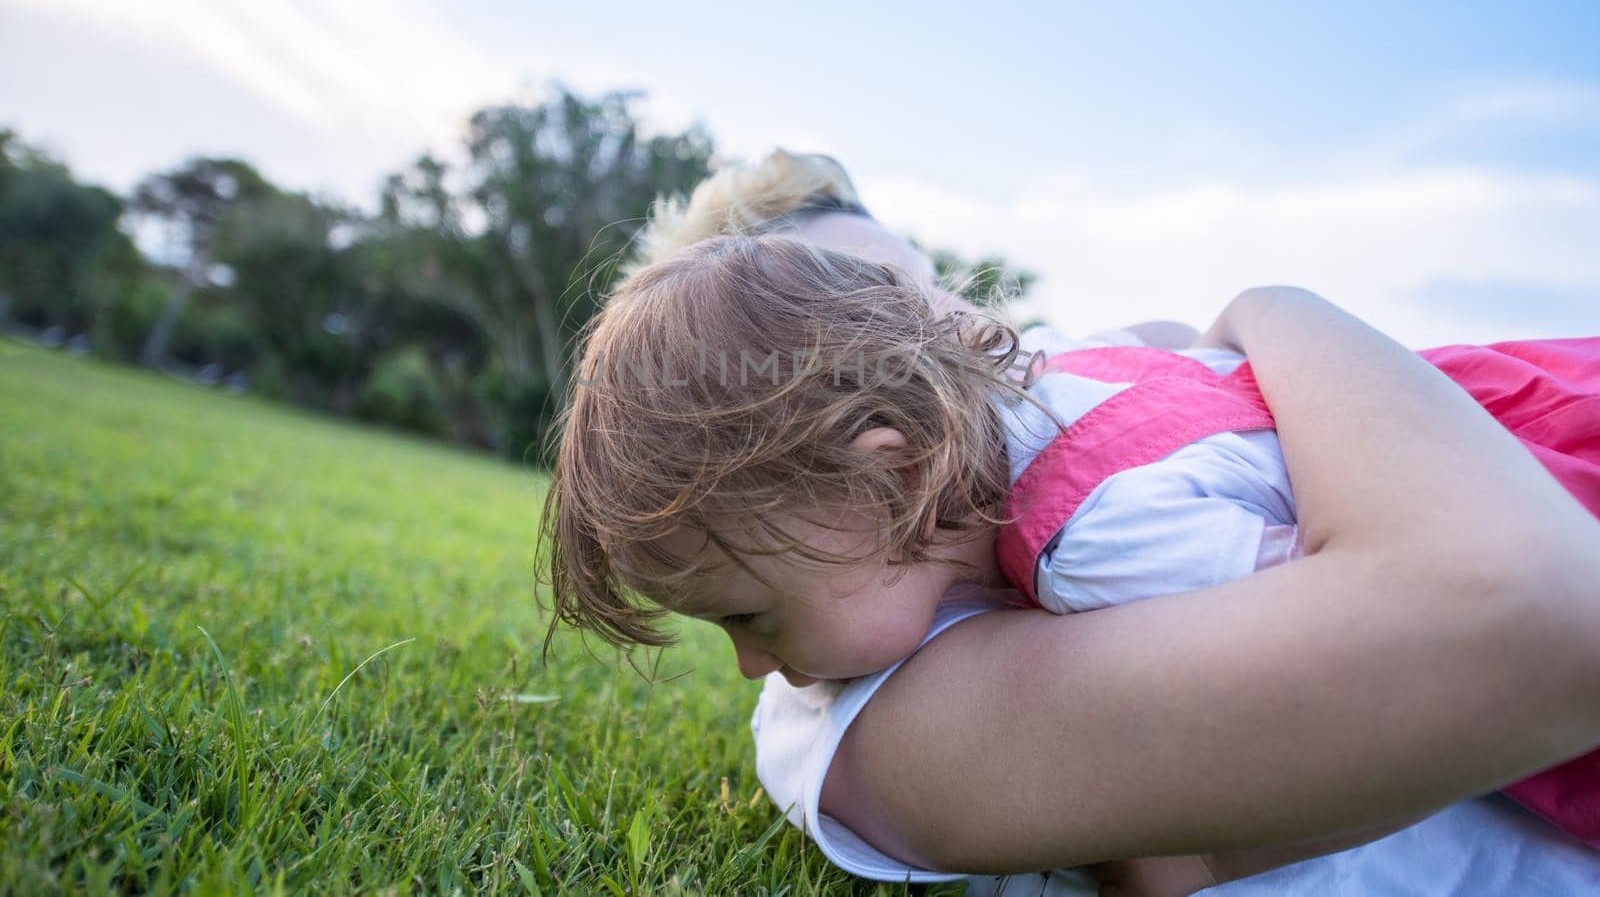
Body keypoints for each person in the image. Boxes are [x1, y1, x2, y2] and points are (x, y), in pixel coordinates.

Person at [541, 153, 1600, 891]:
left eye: (929, 298)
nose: (956, 344)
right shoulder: (935, 646)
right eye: (882, 307)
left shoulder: (1093, 512)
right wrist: (1277, 310)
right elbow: (1499, 625)